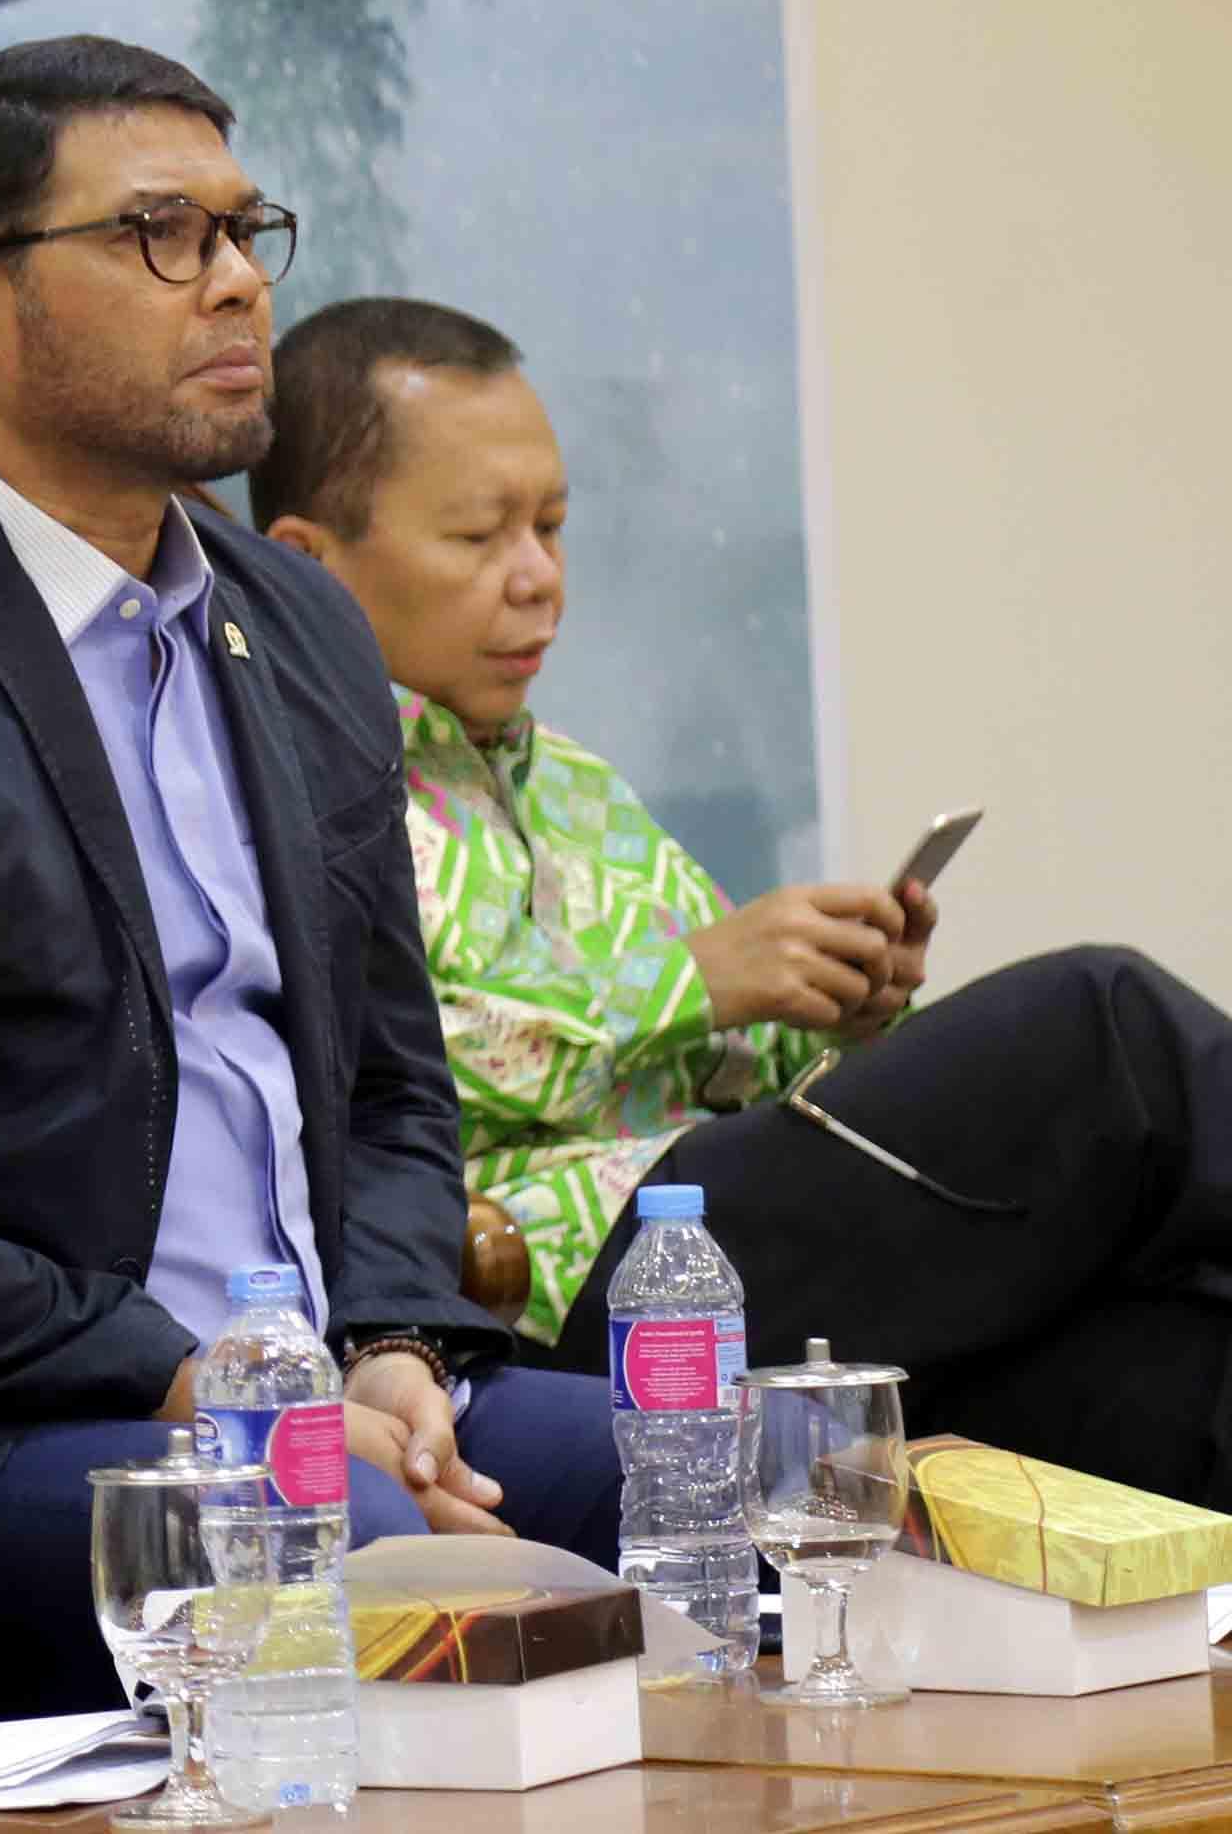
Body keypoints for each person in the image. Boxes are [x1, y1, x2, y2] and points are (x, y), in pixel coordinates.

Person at [0, 38, 622, 1732]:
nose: (234, 283)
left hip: (317, 1403)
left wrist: (390, 1344)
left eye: (242, 230)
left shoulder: (297, 624)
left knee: (732, 1484)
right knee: (349, 1566)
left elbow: (389, 1083)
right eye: (159, 234)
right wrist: (192, 1381)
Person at [252, 294, 1232, 1509]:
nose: (539, 579)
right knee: (1105, 1028)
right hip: (577, 1285)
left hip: (733, 1229)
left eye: (551, 527)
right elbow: (363, 1082)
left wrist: (831, 1006)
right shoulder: (294, 784)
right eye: (478, 535)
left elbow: (731, 1059)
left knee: (1172, 1355)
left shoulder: (577, 785)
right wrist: (696, 978)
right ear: (307, 562)